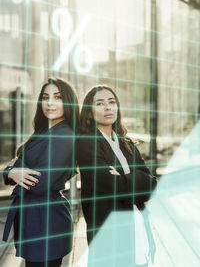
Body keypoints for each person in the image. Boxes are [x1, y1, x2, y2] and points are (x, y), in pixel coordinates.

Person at [76, 85, 157, 267]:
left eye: (112, 102)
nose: (108, 107)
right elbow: (112, 187)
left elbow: (151, 185)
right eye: (100, 103)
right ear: (90, 111)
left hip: (137, 229)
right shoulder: (86, 144)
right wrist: (135, 179)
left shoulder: (126, 143)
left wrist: (123, 178)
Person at [2, 78, 79, 267]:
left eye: (58, 97)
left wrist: (14, 169)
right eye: (45, 97)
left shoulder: (65, 135)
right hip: (37, 218)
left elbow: (40, 182)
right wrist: (12, 172)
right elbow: (13, 172)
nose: (50, 102)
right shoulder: (45, 131)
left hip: (47, 221)